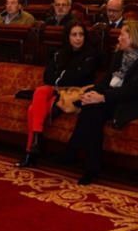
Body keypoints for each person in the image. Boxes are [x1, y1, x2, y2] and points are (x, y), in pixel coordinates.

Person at [65, 20, 138, 185]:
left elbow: (134, 90)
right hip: (114, 98)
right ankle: (91, 167)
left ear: (134, 36)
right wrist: (91, 93)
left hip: (136, 104)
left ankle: (72, 152)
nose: (118, 38)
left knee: (93, 109)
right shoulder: (119, 55)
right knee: (91, 110)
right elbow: (106, 81)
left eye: (122, 34)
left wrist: (102, 97)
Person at [16, 21, 100, 168]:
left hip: (72, 93)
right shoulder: (59, 53)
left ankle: (31, 152)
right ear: (68, 37)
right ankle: (36, 141)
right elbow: (47, 76)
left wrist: (60, 77)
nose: (78, 38)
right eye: (74, 35)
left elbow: (80, 77)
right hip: (54, 89)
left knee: (32, 110)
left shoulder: (90, 55)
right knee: (41, 90)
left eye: (81, 35)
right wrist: (61, 78)